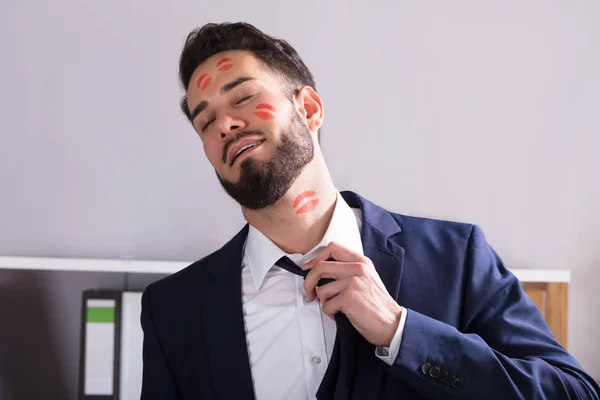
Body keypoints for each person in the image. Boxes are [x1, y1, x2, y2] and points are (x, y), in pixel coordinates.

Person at [140, 22, 599, 400]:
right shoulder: (173, 312)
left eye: (241, 97)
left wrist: (401, 333)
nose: (224, 123)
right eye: (205, 120)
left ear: (310, 108)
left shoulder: (457, 259)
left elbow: (575, 394)